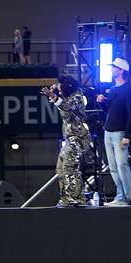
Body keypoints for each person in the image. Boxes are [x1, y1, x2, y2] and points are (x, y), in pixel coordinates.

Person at [97, 57, 131, 206]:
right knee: (113, 167)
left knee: (122, 165)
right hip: (108, 132)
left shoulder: (129, 89)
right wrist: (102, 102)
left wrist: (127, 136)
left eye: (114, 67)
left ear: (121, 70)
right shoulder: (113, 89)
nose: (112, 69)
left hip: (120, 133)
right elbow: (108, 109)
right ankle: (121, 197)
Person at [50, 75, 92, 207]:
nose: (59, 89)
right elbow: (64, 108)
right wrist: (56, 94)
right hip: (70, 138)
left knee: (70, 167)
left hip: (78, 138)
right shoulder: (68, 98)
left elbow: (67, 109)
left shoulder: (77, 98)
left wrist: (55, 97)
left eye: (60, 87)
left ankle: (77, 198)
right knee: (61, 168)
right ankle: (66, 198)